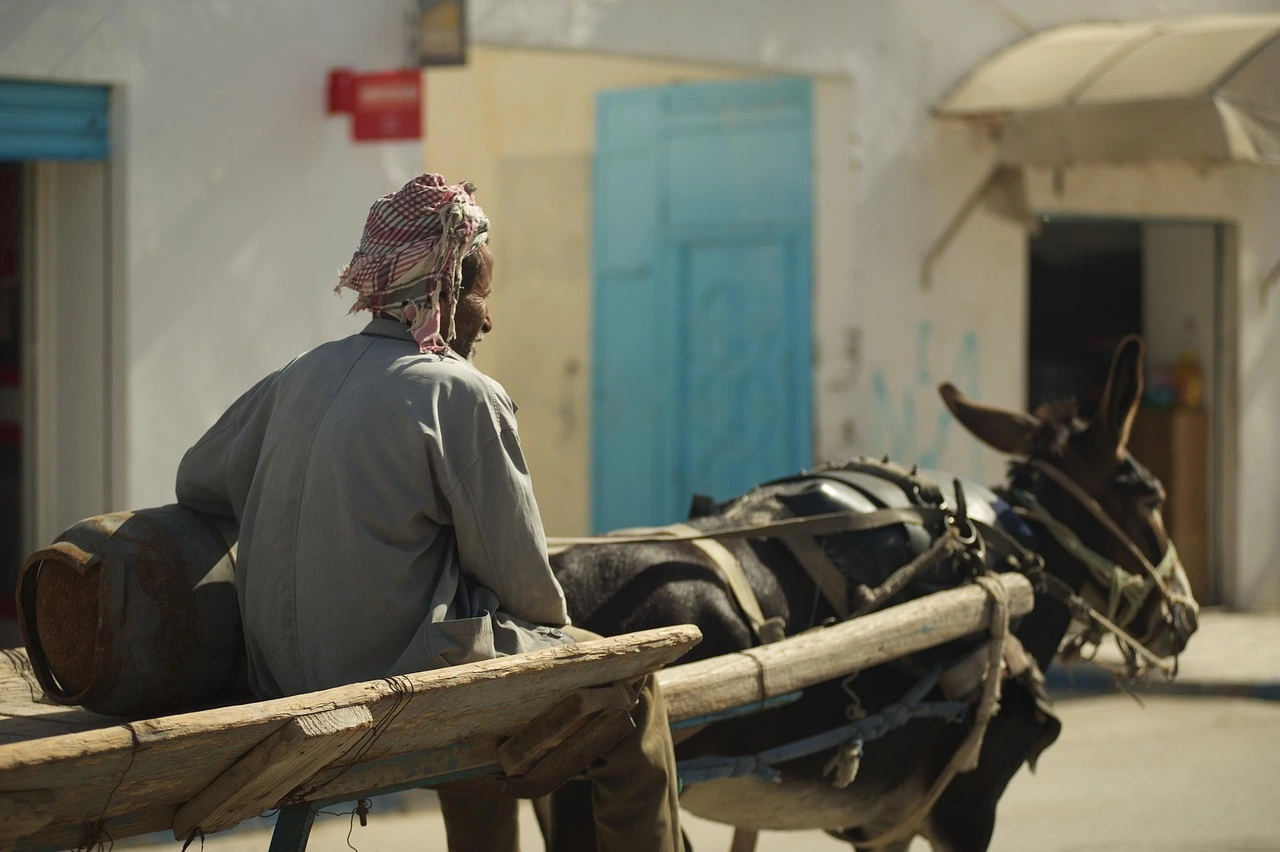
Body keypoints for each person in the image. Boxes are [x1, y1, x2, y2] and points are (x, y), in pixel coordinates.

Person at [175, 174, 684, 851]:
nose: (489, 319)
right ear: (442, 287)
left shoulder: (297, 374)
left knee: (471, 646)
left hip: (277, 677)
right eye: (481, 295)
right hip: (394, 687)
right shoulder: (461, 394)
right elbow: (532, 596)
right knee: (627, 682)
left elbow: (195, 481)